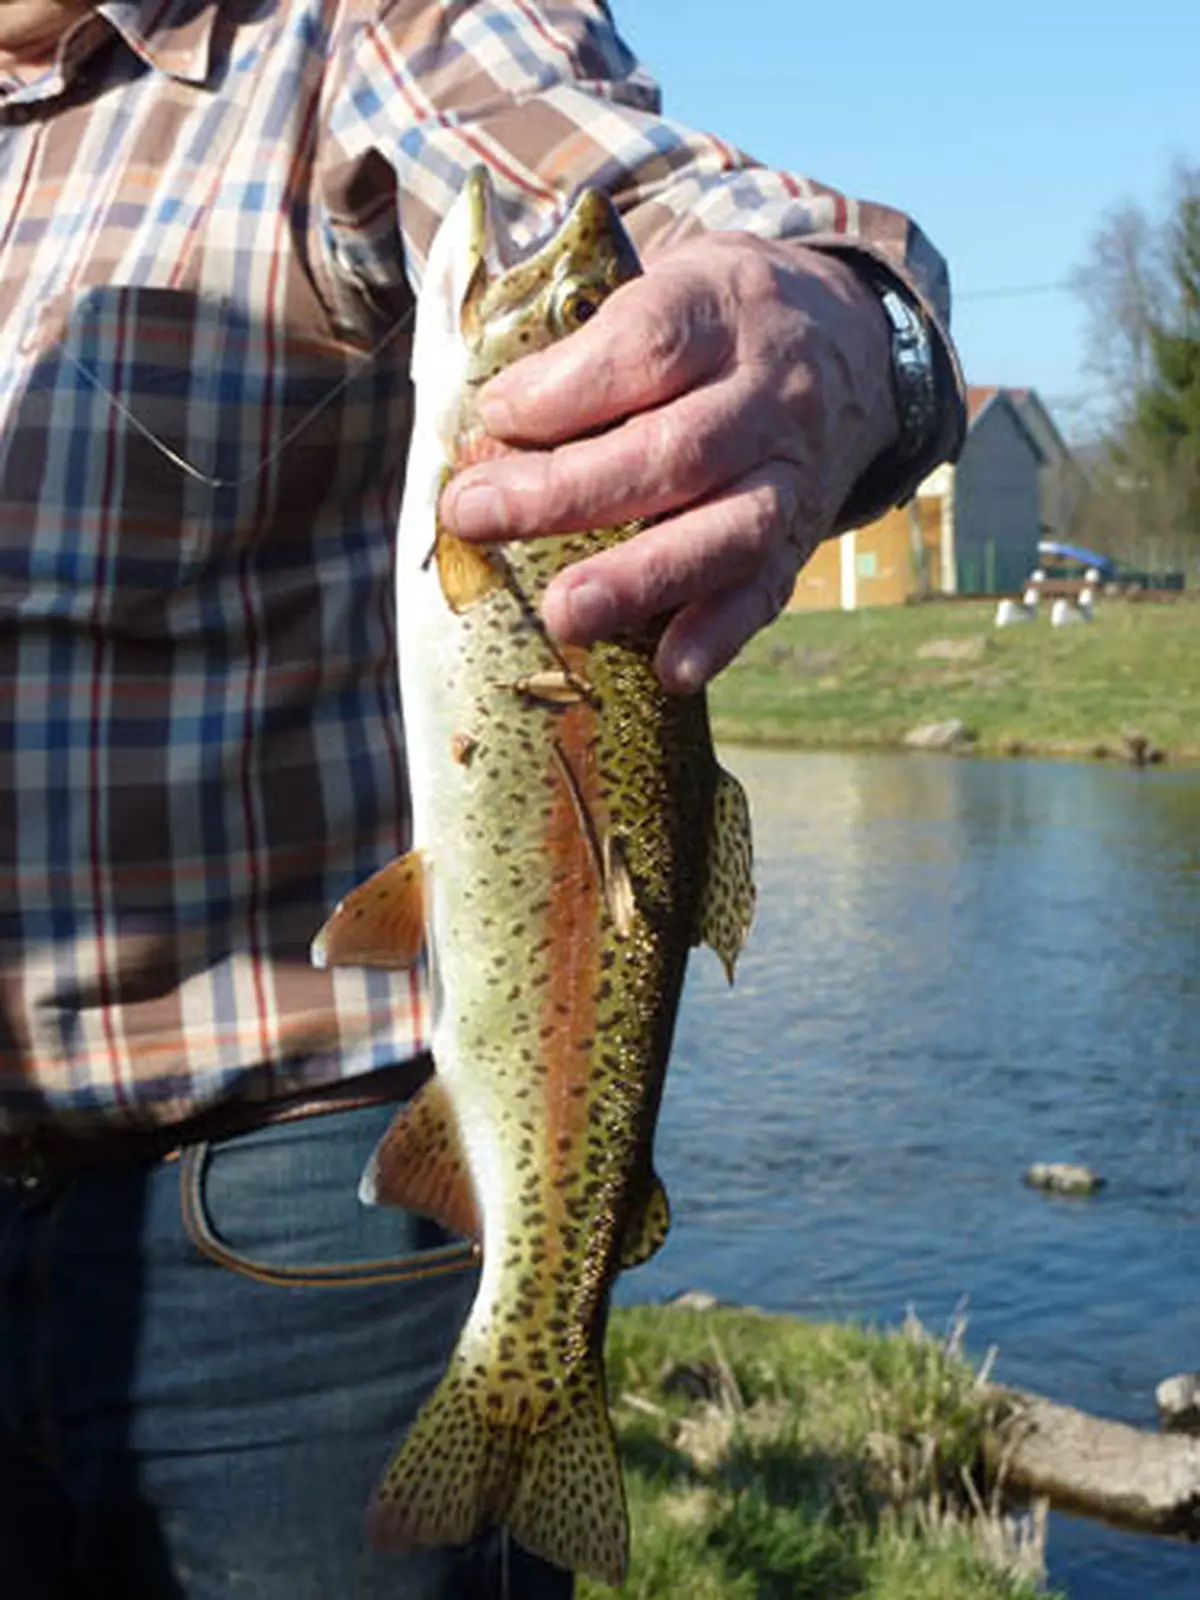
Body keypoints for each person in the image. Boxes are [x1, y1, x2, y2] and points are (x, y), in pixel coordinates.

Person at [0, 0, 965, 1594]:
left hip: (289, 1246)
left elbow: (669, 206)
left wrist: (845, 328)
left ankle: (535, 1362)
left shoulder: (362, 29)